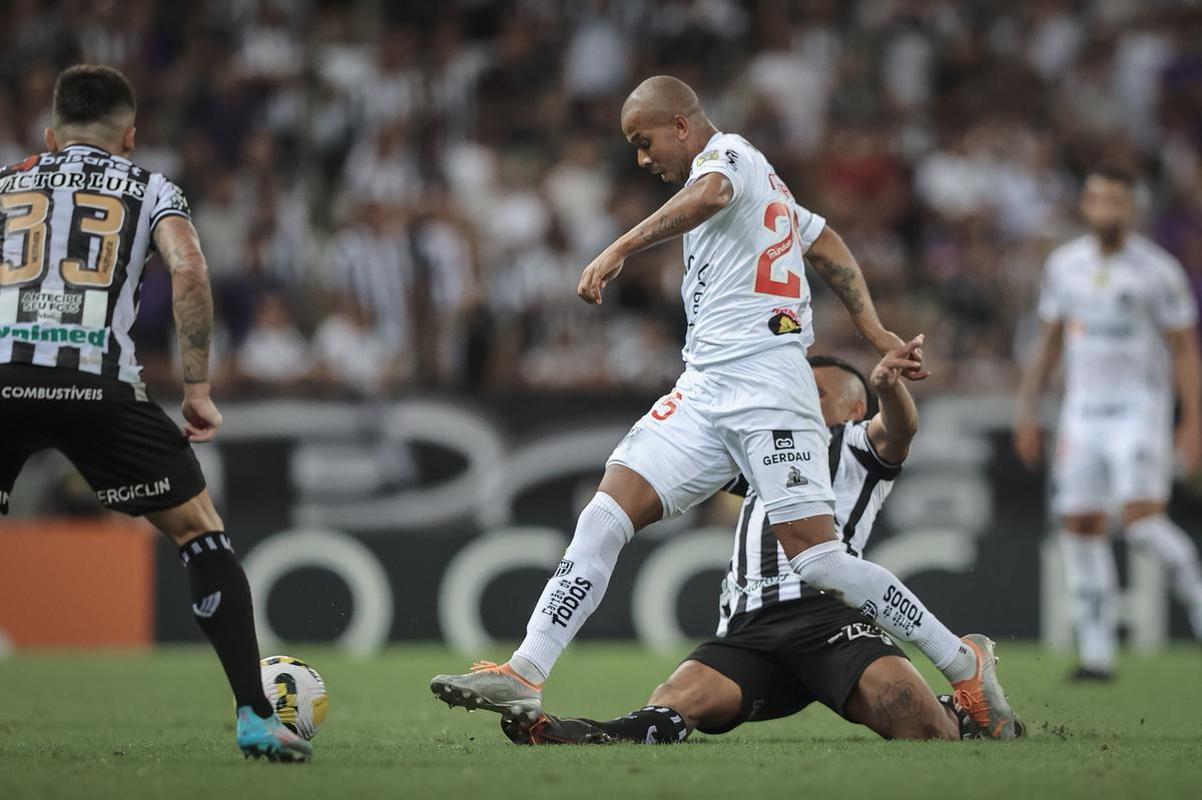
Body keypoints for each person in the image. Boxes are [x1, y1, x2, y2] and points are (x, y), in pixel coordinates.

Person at [432, 75, 1019, 740]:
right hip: (704, 385)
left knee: (819, 562)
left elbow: (710, 193)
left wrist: (619, 247)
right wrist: (873, 325)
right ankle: (525, 671)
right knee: (604, 513)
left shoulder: (728, 158)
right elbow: (822, 243)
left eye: (644, 141)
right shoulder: (765, 189)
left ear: (681, 126)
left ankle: (962, 661)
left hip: (768, 380)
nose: (641, 158)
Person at [0, 65, 311, 762]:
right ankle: (256, 718)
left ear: (50, 134)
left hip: (2, 376)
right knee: (200, 532)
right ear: (131, 138)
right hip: (95, 384)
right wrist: (197, 389)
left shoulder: (5, 183)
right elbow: (191, 270)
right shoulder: (150, 187)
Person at [502, 348, 1022, 745]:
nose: (797, 401)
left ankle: (960, 716)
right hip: (750, 628)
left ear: (854, 405)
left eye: (815, 394)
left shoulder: (856, 443)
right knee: (677, 701)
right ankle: (585, 735)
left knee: (917, 722)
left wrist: (889, 387)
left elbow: (901, 429)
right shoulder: (761, 448)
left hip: (830, 621)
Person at [1016, 166, 1202, 681]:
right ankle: (1098, 656)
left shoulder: (1158, 270)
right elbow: (1049, 341)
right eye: (1096, 199)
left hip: (1139, 410)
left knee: (1142, 524)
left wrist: (1194, 421)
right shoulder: (1065, 266)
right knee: (1080, 526)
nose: (1105, 209)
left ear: (1131, 208)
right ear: (1085, 206)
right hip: (1081, 413)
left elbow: (1185, 348)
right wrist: (1028, 410)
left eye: (1115, 201)